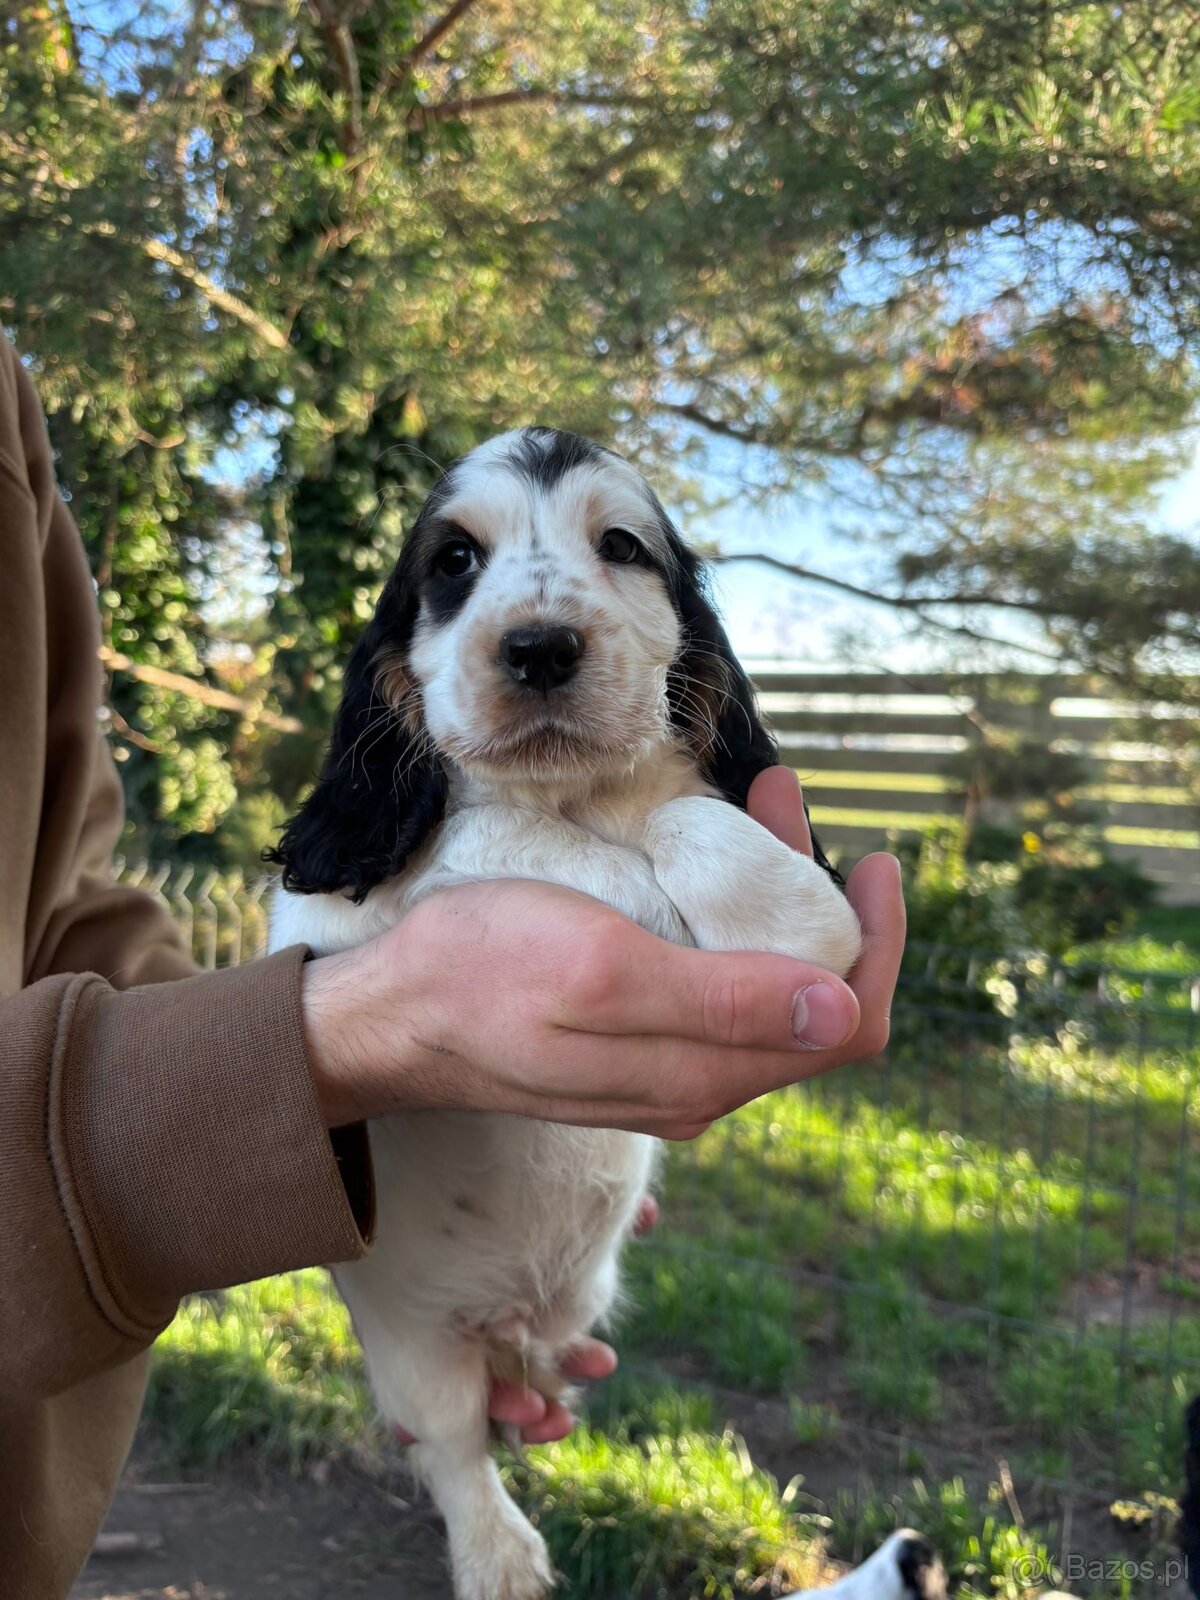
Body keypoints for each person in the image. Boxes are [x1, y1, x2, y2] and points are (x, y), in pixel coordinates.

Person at [0, 331, 906, 1597]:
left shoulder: (14, 428)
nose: (538, 621)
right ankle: (474, 1508)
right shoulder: (377, 862)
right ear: (402, 671)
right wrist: (373, 1017)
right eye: (460, 565)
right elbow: (317, 933)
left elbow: (68, 906)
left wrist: (217, 1119)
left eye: (619, 549)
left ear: (691, 657)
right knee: (441, 1409)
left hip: (564, 1255)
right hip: (387, 1305)